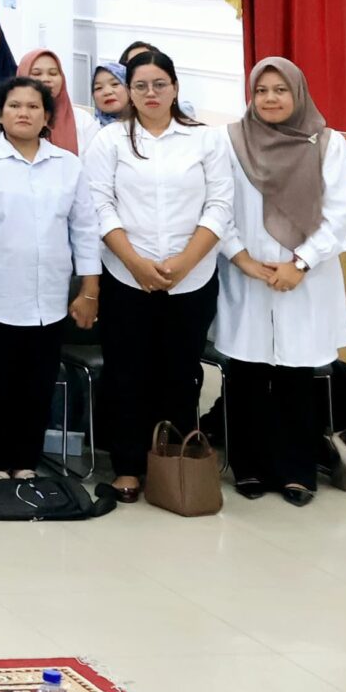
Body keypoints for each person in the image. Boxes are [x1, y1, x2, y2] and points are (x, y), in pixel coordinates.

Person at [81, 45, 229, 503]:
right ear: (129, 91)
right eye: (140, 85)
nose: (150, 93)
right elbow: (99, 204)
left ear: (175, 88)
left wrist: (185, 262)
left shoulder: (205, 140)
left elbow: (220, 205)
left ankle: (173, 464)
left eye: (159, 84)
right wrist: (134, 262)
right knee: (127, 373)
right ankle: (127, 466)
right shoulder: (109, 141)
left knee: (180, 375)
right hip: (127, 277)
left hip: (192, 278)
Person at [215, 57, 346, 505]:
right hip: (246, 273)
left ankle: (296, 470)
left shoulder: (326, 143)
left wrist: (301, 263)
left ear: (298, 94)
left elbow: (337, 216)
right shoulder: (230, 140)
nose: (270, 98)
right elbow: (218, 205)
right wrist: (241, 258)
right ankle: (249, 466)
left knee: (297, 376)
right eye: (261, 90)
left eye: (280, 90)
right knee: (246, 374)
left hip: (305, 278)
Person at [0, 76, 98, 478]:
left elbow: (85, 230)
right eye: (14, 106)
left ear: (47, 116)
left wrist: (89, 289)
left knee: (37, 385)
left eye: (33, 107)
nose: (24, 113)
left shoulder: (68, 166)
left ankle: (26, 463)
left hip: (49, 298)